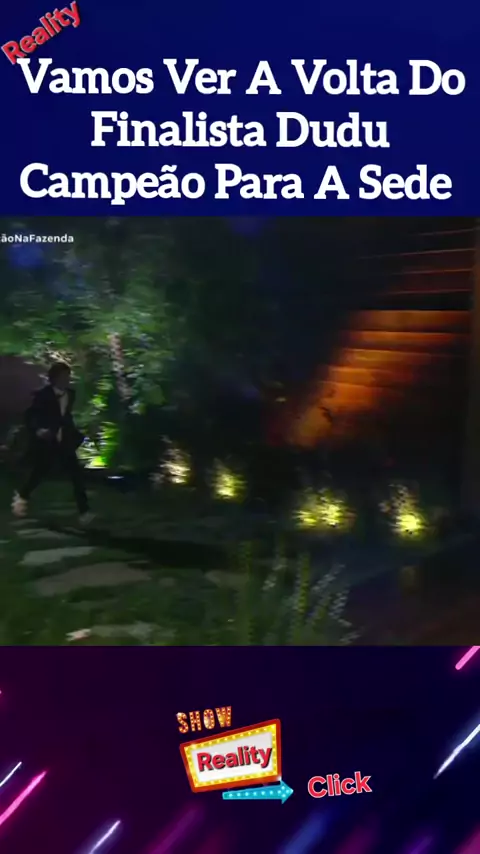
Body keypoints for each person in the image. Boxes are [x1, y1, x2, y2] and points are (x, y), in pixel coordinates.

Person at [12, 362, 94, 523]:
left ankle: (84, 511)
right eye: (63, 376)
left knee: (76, 475)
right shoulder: (43, 395)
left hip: (65, 440)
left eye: (68, 376)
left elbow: (65, 415)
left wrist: (75, 432)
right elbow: (30, 416)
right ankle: (22, 496)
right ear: (54, 378)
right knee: (39, 473)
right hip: (48, 440)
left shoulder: (70, 394)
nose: (67, 379)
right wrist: (39, 430)